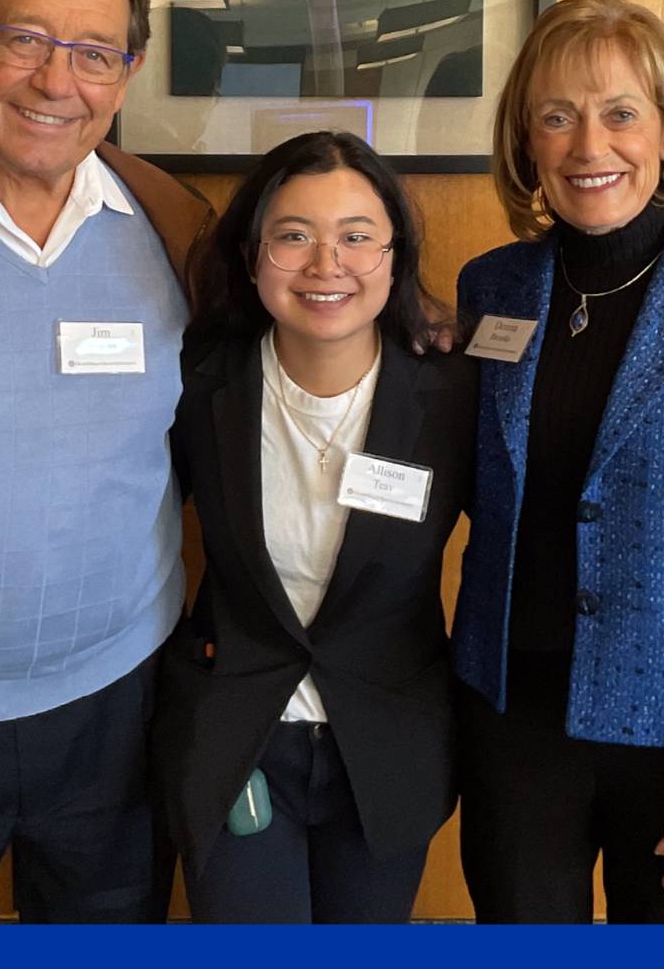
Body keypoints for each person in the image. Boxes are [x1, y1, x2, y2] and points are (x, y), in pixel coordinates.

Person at [0, 0, 212, 923]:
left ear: (127, 73)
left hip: (117, 711)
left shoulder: (170, 228)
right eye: (23, 38)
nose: (55, 82)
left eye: (93, 53)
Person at [452, 0, 664, 924]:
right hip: (513, 720)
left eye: (620, 112)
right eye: (556, 116)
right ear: (527, 143)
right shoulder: (492, 288)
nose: (588, 144)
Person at [151, 131, 477, 923]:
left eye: (357, 237)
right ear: (254, 254)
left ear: (394, 256)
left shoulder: (453, 393)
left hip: (387, 746)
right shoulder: (196, 378)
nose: (326, 265)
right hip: (238, 741)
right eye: (294, 236)